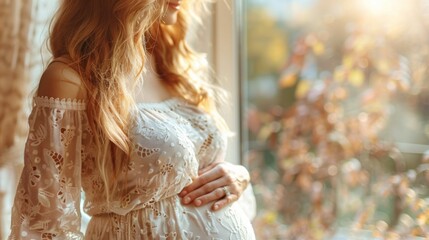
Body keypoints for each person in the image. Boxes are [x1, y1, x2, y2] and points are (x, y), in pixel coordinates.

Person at [8, 0, 256, 239]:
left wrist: (237, 177)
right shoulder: (70, 78)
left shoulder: (172, 63)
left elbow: (195, 169)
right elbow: (45, 226)